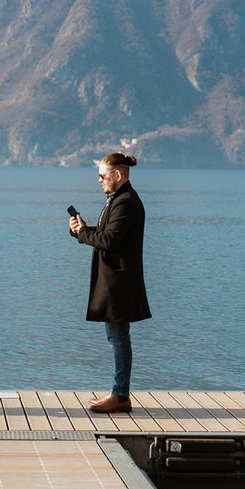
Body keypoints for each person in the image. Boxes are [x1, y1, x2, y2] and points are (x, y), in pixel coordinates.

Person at [67, 151, 150, 413]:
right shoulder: (117, 200)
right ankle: (118, 392)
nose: (100, 180)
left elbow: (108, 241)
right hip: (115, 281)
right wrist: (81, 230)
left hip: (119, 282)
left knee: (118, 337)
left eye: (103, 176)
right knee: (116, 336)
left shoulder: (126, 202)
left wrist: (82, 233)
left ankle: (120, 395)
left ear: (118, 174)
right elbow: (104, 235)